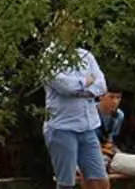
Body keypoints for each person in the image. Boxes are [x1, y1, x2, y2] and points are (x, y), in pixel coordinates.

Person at [44, 20, 110, 189]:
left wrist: (80, 90)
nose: (77, 28)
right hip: (62, 128)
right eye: (72, 23)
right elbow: (64, 86)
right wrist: (86, 82)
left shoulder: (86, 56)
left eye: (79, 24)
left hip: (88, 127)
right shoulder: (50, 57)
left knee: (100, 183)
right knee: (67, 184)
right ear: (59, 26)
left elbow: (102, 86)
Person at [80, 89, 135, 189]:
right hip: (87, 156)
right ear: (101, 96)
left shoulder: (119, 115)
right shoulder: (86, 113)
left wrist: (109, 149)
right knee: (101, 182)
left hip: (108, 154)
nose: (115, 101)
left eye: (118, 98)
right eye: (111, 97)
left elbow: (110, 139)